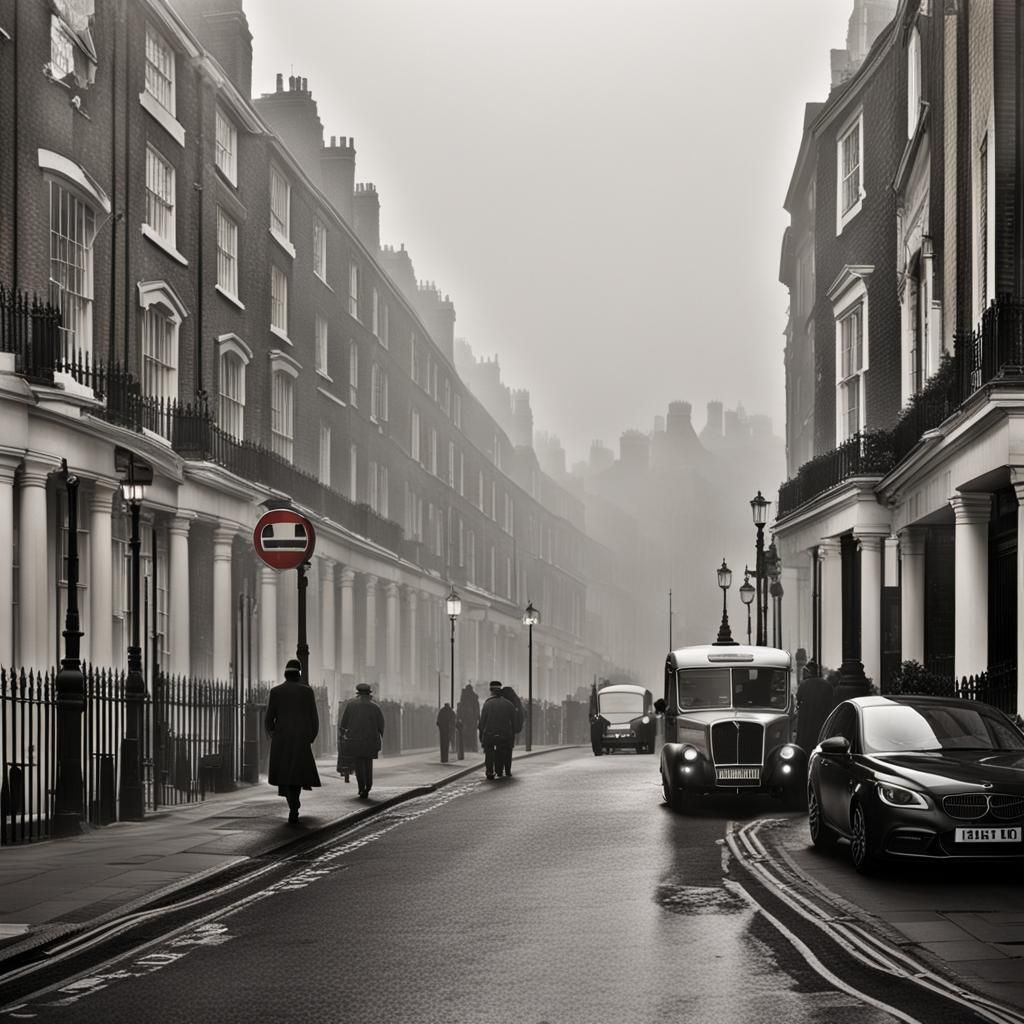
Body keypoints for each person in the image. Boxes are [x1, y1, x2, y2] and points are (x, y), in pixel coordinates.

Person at [264, 658, 321, 824]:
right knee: (297, 774)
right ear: (299, 674)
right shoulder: (307, 692)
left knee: (284, 775)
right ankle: (294, 805)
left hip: (281, 740)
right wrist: (310, 737)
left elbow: (269, 720)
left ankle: (292, 804)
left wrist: (274, 734)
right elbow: (314, 719)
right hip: (300, 740)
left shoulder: (276, 692)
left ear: (285, 673)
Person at [338, 682, 385, 798]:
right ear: (369, 694)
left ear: (358, 693)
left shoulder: (351, 706)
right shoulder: (375, 707)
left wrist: (343, 734)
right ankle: (368, 787)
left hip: (355, 741)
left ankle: (361, 788)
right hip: (370, 741)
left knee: (359, 764)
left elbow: (343, 723)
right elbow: (381, 725)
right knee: (368, 764)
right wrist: (380, 737)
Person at [478, 679, 516, 780]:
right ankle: (499, 770)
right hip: (504, 734)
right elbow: (514, 721)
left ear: (491, 691)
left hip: (490, 734)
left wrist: (482, 734)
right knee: (501, 750)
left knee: (489, 752)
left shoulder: (487, 704)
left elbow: (482, 722)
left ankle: (490, 771)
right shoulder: (509, 704)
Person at [796, 660, 836, 754]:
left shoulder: (803, 685)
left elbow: (798, 699)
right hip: (821, 721)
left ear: (808, 672)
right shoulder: (827, 685)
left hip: (806, 722)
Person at [499, 685, 525, 776]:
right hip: (510, 730)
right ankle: (507, 769)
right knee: (508, 750)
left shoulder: (500, 700)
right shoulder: (515, 701)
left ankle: (499, 769)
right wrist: (517, 727)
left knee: (499, 749)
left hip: (500, 729)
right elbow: (521, 714)